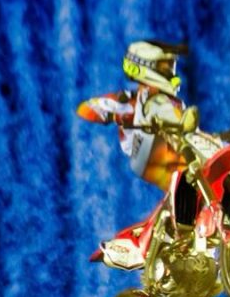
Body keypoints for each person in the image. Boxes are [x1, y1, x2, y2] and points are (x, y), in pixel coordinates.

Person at [76, 40, 191, 192]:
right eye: (165, 67)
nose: (171, 72)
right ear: (146, 69)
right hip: (144, 153)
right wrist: (115, 115)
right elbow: (85, 109)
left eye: (171, 66)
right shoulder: (128, 101)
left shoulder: (175, 103)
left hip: (172, 155)